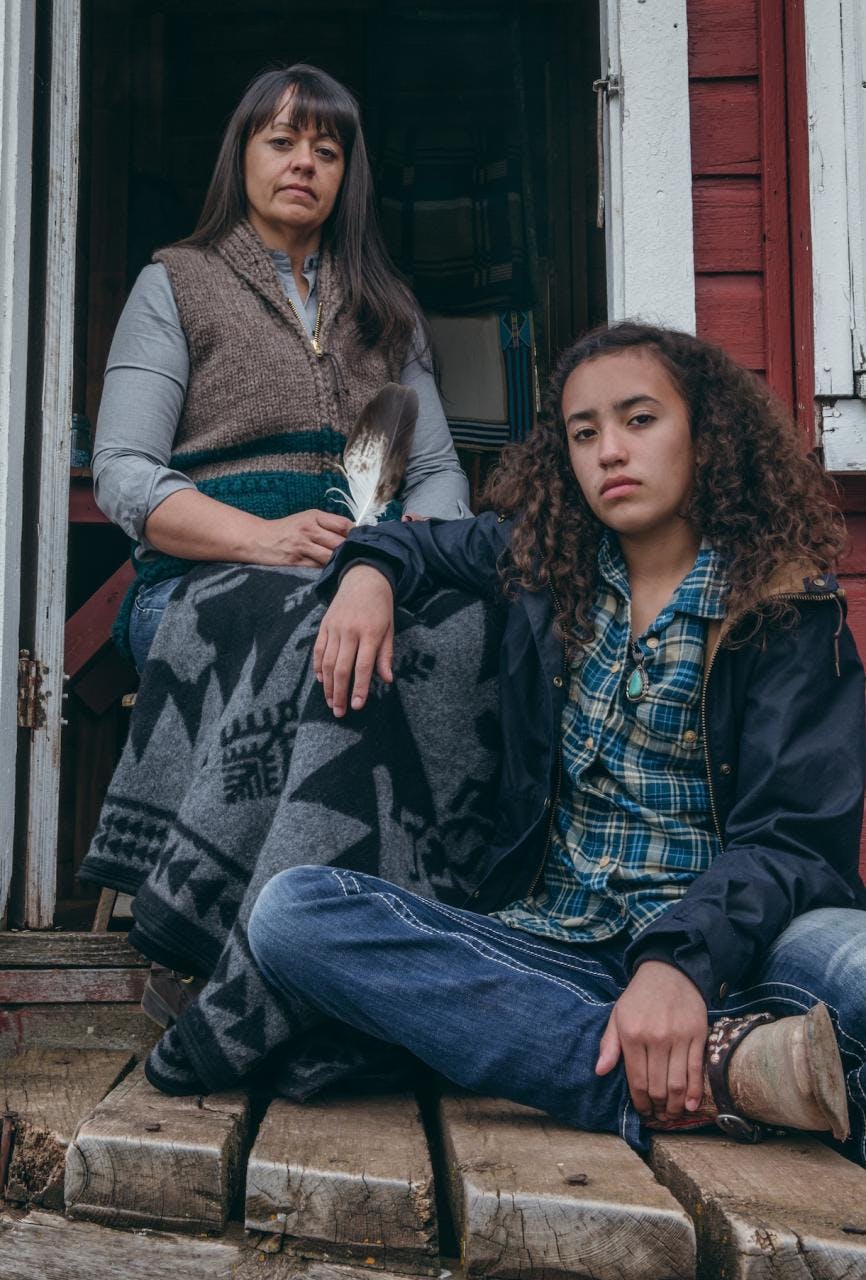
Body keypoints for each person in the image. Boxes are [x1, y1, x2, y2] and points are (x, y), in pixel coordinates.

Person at [245, 321, 866, 1161]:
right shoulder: (544, 563)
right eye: (584, 432)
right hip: (558, 945)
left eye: (639, 420)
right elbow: (409, 538)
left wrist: (679, 965)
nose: (610, 451)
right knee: (293, 916)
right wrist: (367, 576)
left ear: (705, 432)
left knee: (858, 977)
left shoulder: (787, 608)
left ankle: (618, 1057)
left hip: (739, 953)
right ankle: (716, 1078)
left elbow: (796, 843)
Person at [91, 63, 470, 672]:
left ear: (346, 176)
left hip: (372, 578)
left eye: (327, 150)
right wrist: (267, 540)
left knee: (474, 639)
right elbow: (123, 470)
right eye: (281, 142)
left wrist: (386, 561)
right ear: (240, 157)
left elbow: (437, 472)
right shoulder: (175, 284)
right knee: (306, 641)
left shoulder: (390, 309)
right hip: (201, 580)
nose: (304, 163)